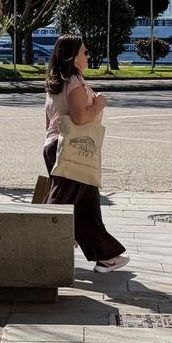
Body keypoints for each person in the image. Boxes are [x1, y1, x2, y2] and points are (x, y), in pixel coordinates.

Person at [42, 34, 129, 272]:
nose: (88, 56)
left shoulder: (55, 83)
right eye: (84, 52)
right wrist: (98, 104)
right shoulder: (74, 80)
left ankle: (107, 256)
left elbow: (49, 121)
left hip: (55, 146)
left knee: (87, 205)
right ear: (73, 57)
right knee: (62, 205)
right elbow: (80, 118)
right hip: (73, 149)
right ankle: (39, 249)